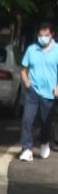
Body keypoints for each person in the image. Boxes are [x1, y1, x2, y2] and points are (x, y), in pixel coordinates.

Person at [18, 20, 58, 161]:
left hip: (50, 94)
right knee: (27, 120)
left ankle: (44, 142)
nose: (43, 38)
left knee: (46, 122)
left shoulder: (57, 50)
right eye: (41, 35)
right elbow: (23, 69)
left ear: (52, 35)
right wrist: (28, 85)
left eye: (46, 35)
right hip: (33, 91)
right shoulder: (32, 49)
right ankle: (26, 149)